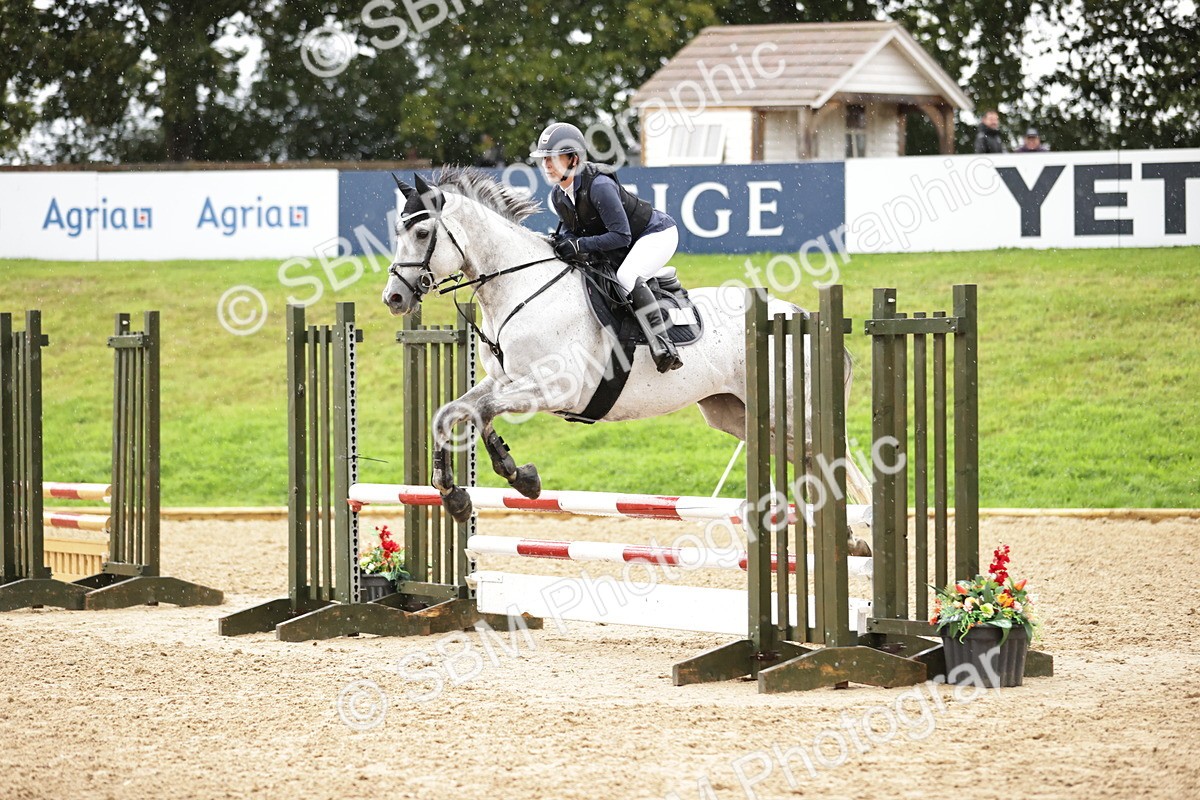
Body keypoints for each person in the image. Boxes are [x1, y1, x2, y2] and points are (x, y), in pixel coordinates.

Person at [532, 121, 683, 373]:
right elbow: (573, 233)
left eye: (553, 157)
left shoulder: (600, 186)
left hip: (656, 234)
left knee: (626, 276)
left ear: (574, 159)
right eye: (544, 158)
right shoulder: (558, 196)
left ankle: (664, 346)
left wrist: (579, 244)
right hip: (626, 242)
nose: (546, 164)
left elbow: (621, 236)